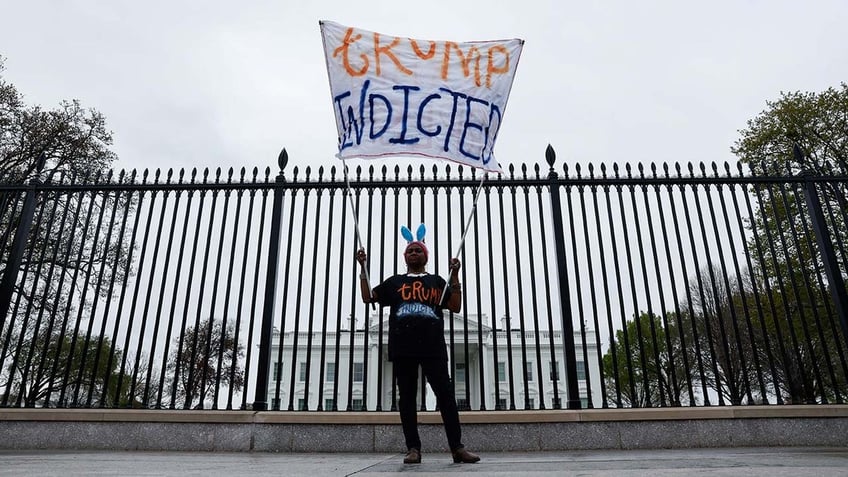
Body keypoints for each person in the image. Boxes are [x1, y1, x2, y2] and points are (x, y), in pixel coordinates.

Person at [355, 231, 481, 465]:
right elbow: (367, 297)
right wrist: (362, 268)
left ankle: (457, 448)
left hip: (433, 346)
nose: (414, 253)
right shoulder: (394, 282)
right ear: (405, 256)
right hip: (403, 346)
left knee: (445, 396)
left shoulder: (436, 281)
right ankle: (413, 448)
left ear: (425, 256)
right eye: (410, 250)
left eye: (418, 250)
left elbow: (455, 306)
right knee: (407, 398)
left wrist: (455, 274)